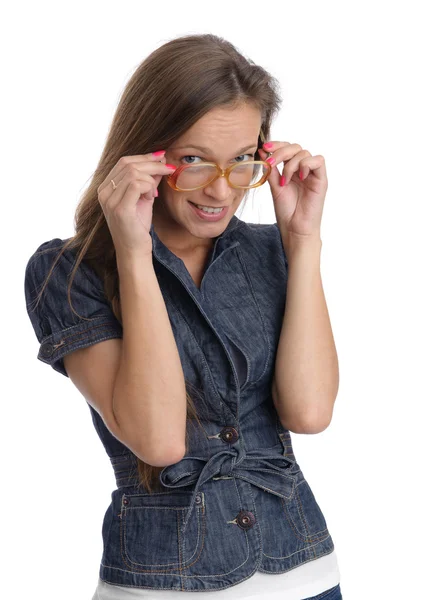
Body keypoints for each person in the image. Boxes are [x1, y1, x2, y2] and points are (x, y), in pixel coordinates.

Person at [24, 34, 343, 600]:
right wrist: (133, 252)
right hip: (160, 582)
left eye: (243, 160)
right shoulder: (66, 272)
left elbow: (310, 411)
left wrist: (303, 240)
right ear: (147, 153)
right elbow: (159, 440)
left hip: (305, 574)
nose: (222, 190)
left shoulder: (273, 252)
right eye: (194, 160)